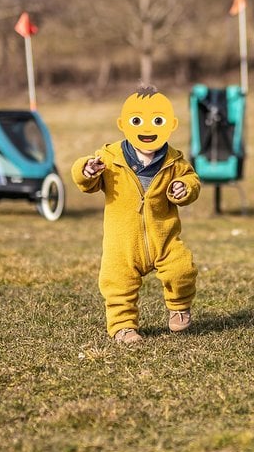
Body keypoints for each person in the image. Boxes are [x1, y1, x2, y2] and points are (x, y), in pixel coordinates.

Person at [71, 85, 201, 343]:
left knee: (182, 270)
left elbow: (192, 181)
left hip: (163, 238)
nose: (147, 129)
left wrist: (183, 188)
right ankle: (123, 327)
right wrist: (86, 170)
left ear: (170, 125)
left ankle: (179, 307)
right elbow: (86, 183)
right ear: (124, 124)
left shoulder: (174, 161)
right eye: (137, 121)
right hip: (122, 243)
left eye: (157, 121)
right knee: (117, 284)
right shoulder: (109, 158)